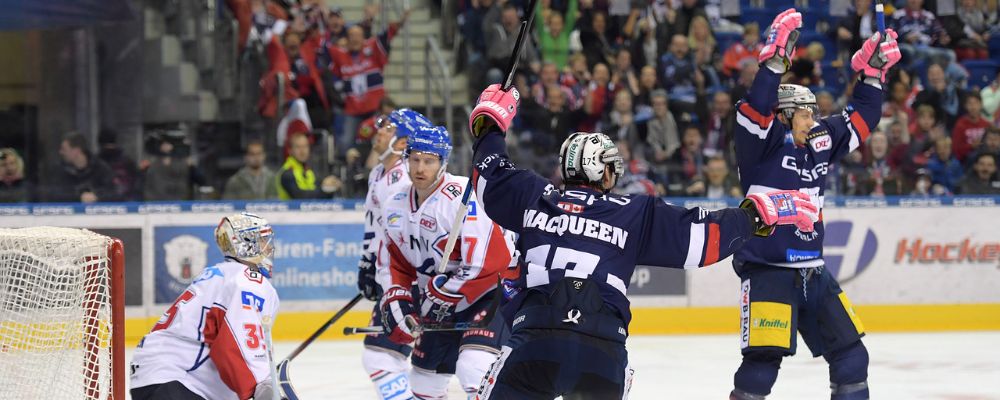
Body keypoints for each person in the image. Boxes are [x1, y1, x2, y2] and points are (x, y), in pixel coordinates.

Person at [464, 73, 820, 399]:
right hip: (603, 351)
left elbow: (489, 171)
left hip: (534, 342)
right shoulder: (634, 211)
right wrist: (753, 216)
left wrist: (490, 123)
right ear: (603, 172)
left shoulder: (533, 195)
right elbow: (701, 241)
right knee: (613, 374)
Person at [728, 9, 900, 399]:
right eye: (806, 113)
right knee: (760, 366)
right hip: (768, 272)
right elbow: (756, 105)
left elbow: (863, 116)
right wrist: (774, 61)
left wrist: (873, 74)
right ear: (785, 115)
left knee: (853, 358)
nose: (815, 119)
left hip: (816, 275)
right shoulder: (761, 143)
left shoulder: (820, 142)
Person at [376, 125, 517, 398]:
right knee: (422, 381)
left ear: (443, 162)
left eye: (429, 161)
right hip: (441, 301)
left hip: (490, 294)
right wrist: (398, 300)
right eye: (415, 159)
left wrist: (436, 296)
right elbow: (395, 263)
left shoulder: (463, 196)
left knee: (474, 366)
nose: (420, 168)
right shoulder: (394, 204)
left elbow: (489, 262)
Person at [130, 212, 280, 400]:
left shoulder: (220, 274)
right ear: (246, 244)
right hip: (177, 379)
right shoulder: (248, 282)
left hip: (160, 377)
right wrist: (261, 385)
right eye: (262, 240)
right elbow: (234, 343)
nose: (268, 248)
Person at [355, 109, 430, 400]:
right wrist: (367, 262)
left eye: (387, 127)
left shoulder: (403, 180)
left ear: (401, 142)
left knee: (383, 356)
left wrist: (380, 267)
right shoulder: (378, 173)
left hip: (409, 279)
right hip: (395, 277)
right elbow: (375, 226)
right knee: (390, 358)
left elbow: (401, 237)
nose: (379, 130)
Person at [46, 133, 118, 203]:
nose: (61, 152)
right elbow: (53, 194)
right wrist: (79, 196)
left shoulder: (101, 168)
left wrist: (96, 196)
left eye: (64, 149)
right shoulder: (59, 171)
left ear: (76, 151)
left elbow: (114, 192)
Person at [276, 132, 340, 199]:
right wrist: (324, 188)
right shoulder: (287, 173)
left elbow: (318, 194)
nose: (302, 151)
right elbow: (301, 197)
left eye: (305, 146)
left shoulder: (308, 171)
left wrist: (331, 187)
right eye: (298, 147)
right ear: (290, 150)